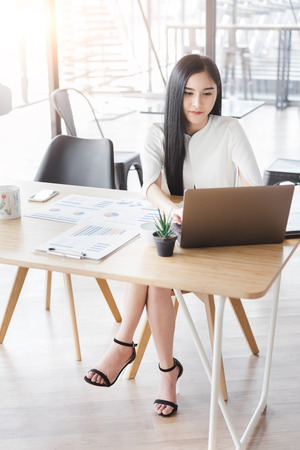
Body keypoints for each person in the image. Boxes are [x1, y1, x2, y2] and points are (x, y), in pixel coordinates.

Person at [84, 54, 263, 417]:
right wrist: (173, 210)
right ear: (175, 94)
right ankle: (166, 372)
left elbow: (254, 185)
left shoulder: (229, 129)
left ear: (218, 94)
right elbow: (150, 186)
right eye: (189, 93)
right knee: (155, 266)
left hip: (217, 245)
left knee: (152, 270)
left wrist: (242, 201)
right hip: (175, 235)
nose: (198, 104)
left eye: (208, 93)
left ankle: (125, 345)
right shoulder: (158, 134)